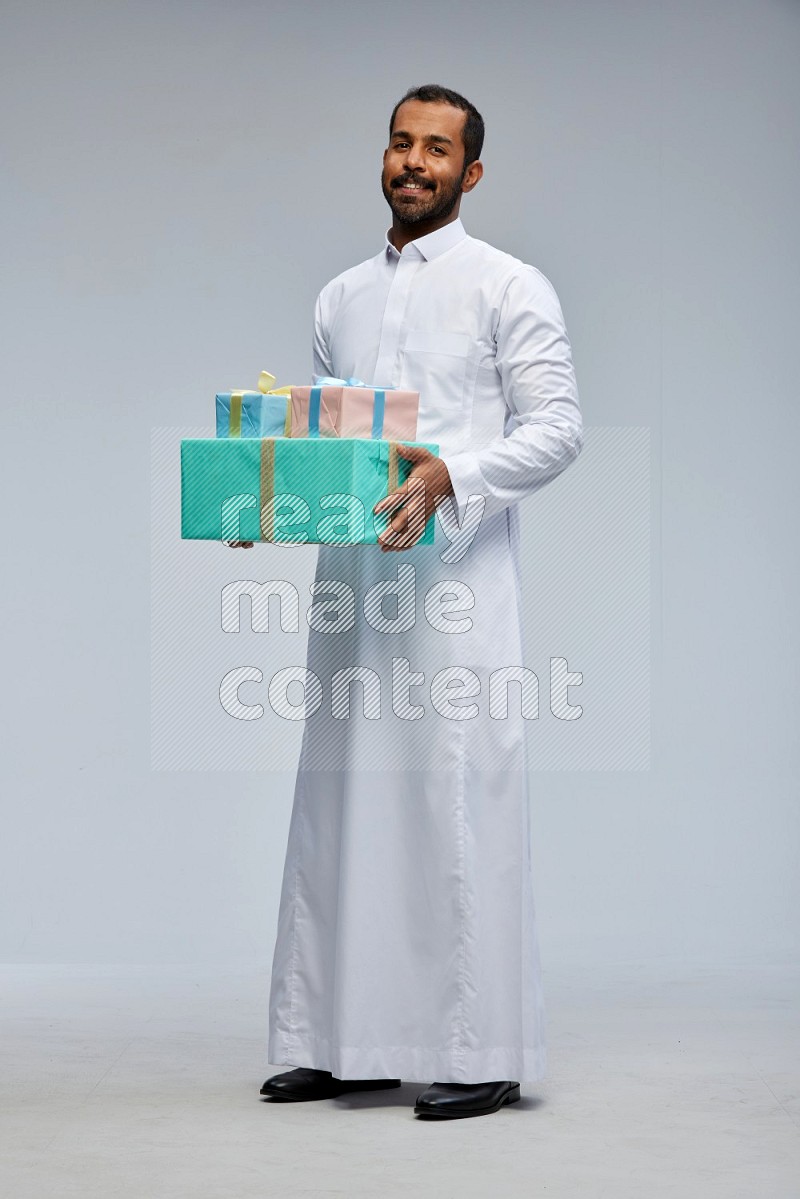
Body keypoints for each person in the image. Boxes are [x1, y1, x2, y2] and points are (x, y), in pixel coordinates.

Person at [236, 83, 583, 1119]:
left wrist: (451, 476)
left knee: (451, 803)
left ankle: (479, 1047)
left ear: (469, 173)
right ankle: (338, 1040)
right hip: (351, 587)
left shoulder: (506, 285)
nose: (413, 161)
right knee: (339, 804)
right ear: (381, 157)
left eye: (437, 148)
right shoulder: (338, 297)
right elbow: (324, 444)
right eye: (399, 142)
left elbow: (557, 426)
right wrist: (265, 497)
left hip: (452, 590)